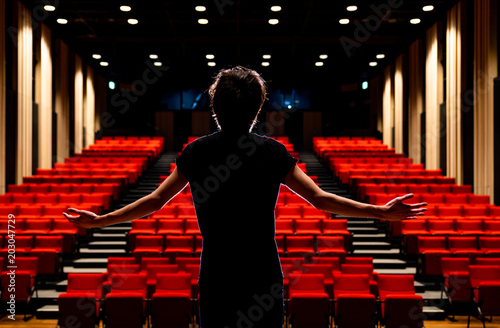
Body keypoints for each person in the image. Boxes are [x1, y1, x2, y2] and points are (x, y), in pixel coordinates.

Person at [64, 66, 427, 328]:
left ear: (215, 108)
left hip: (217, 272)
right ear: (258, 109)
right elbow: (320, 198)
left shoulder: (197, 152)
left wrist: (100, 220)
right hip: (261, 271)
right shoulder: (272, 152)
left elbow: (155, 201)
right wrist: (379, 211)